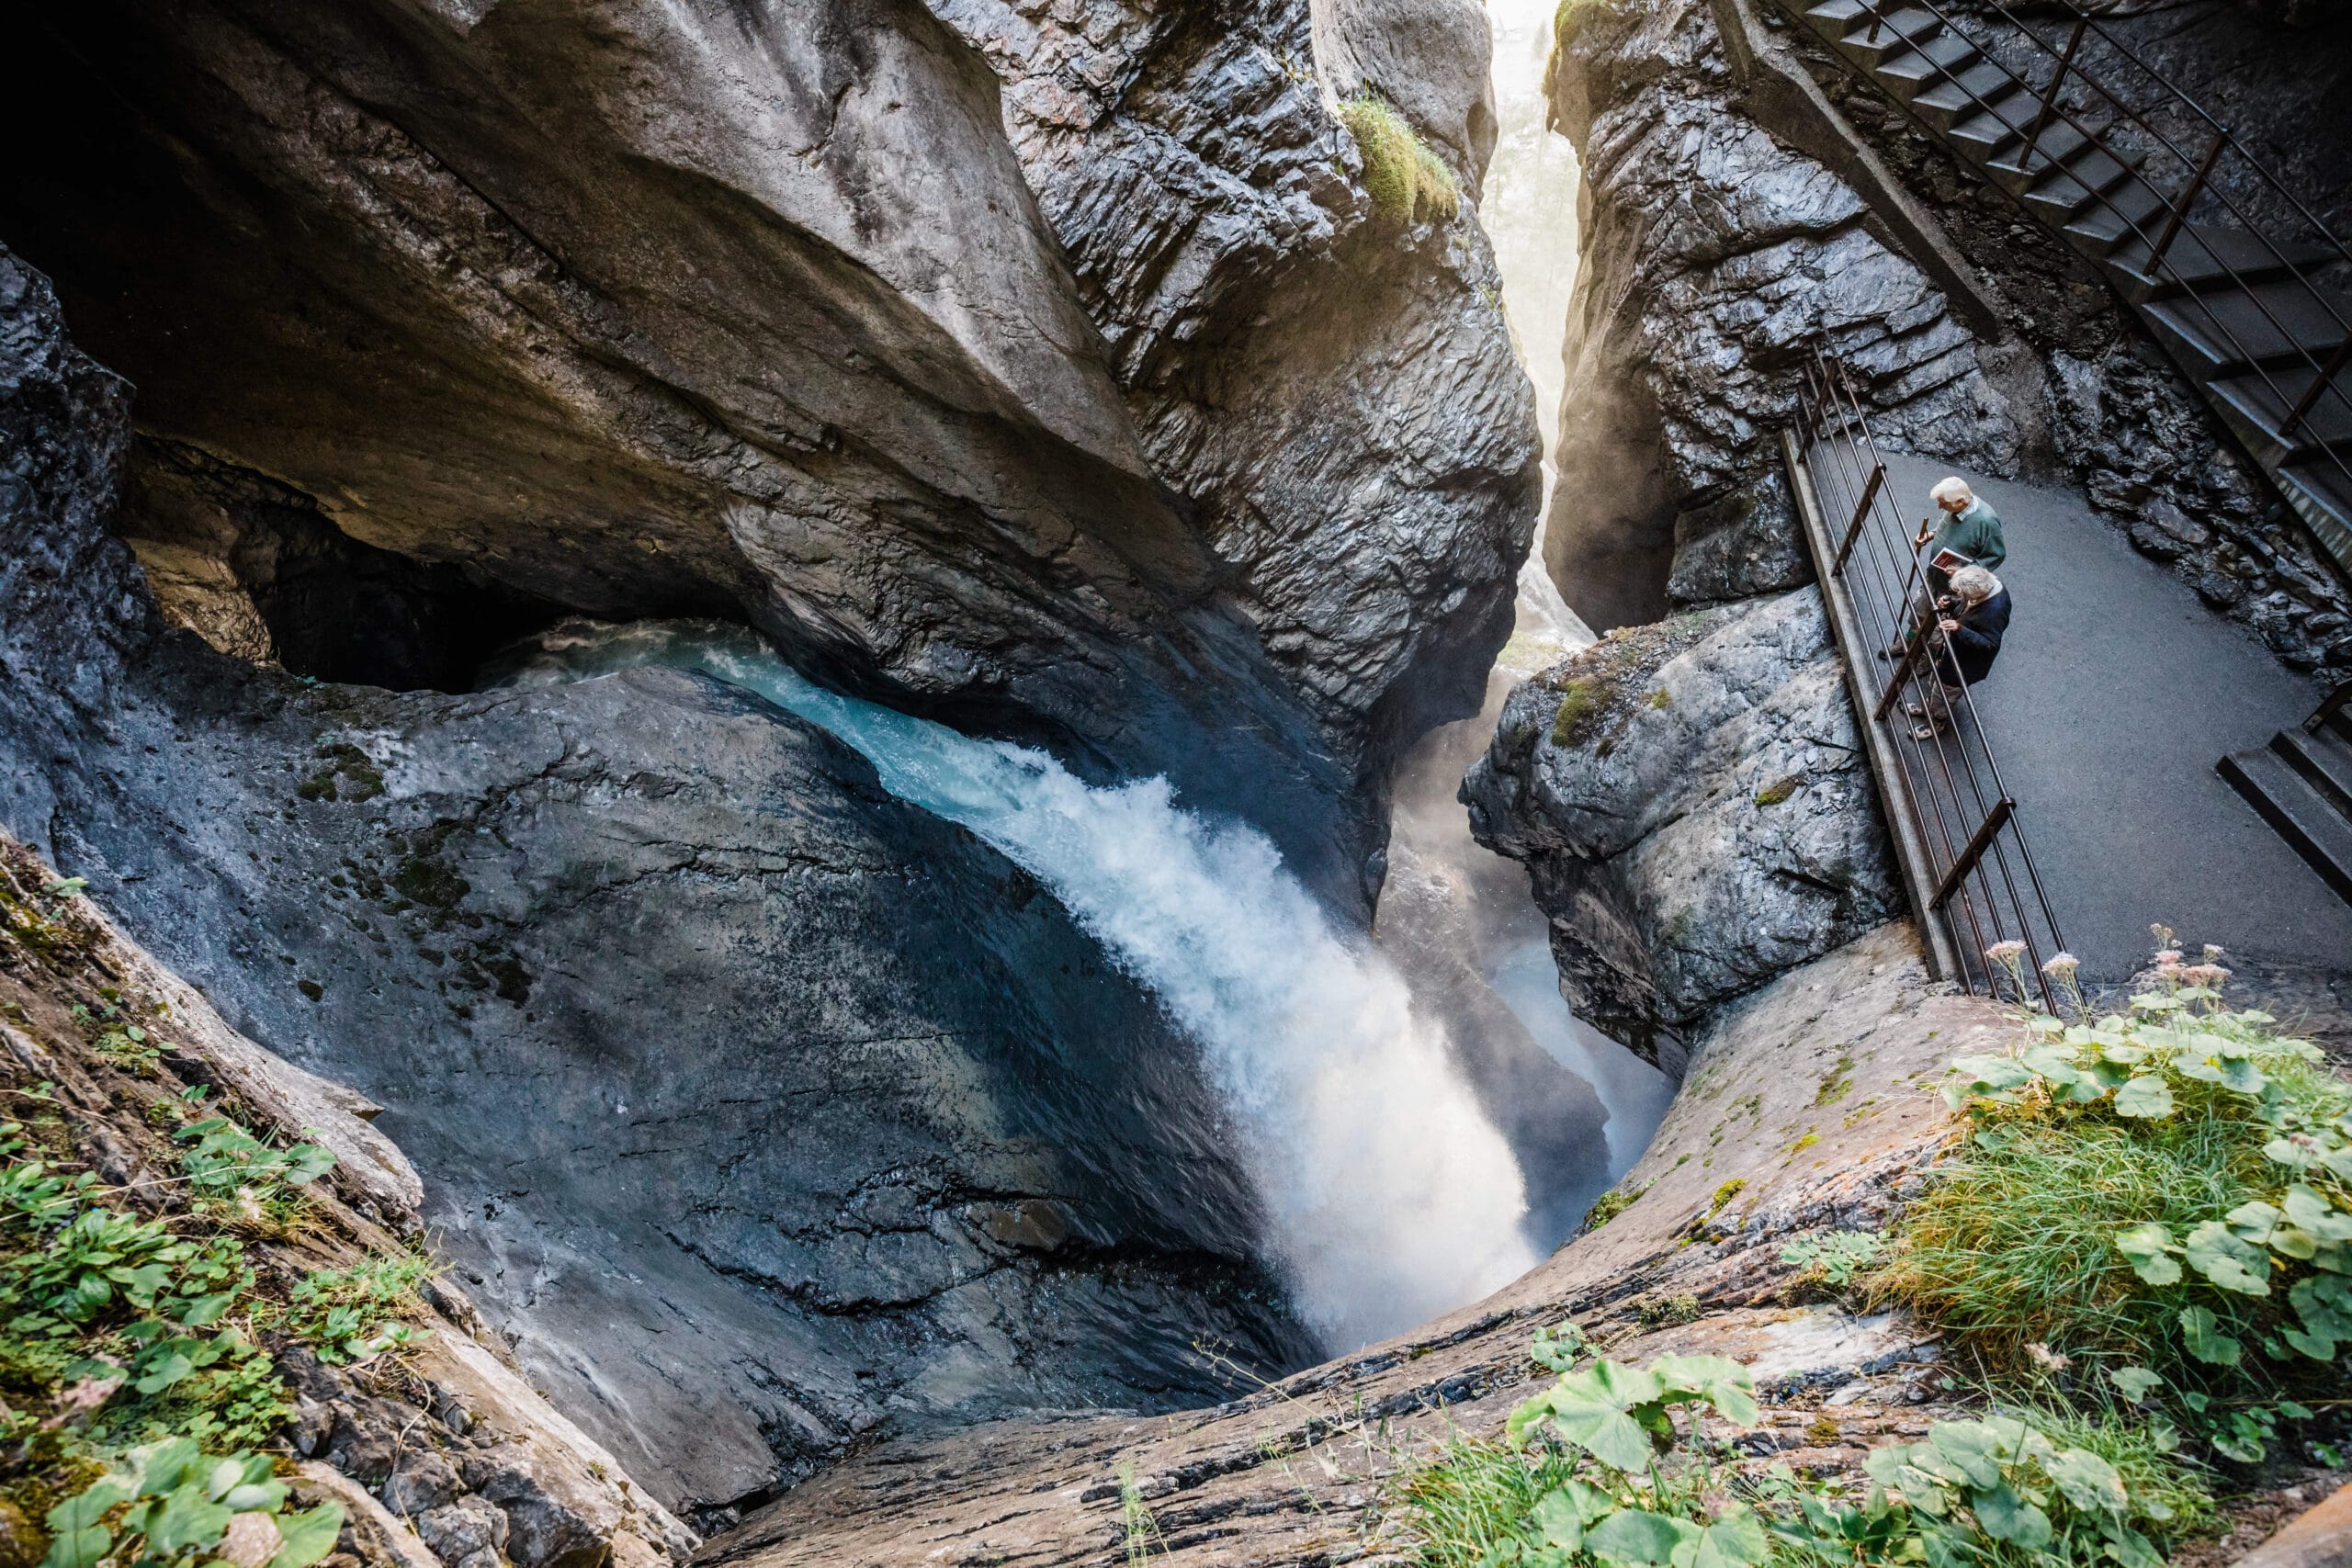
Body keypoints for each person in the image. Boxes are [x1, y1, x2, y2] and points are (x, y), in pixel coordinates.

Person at [1907, 565, 2009, 739]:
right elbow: (1965, 605)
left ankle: (1937, 721)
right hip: (1950, 653)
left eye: (1963, 594)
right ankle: (1929, 706)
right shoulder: (1986, 587)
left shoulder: (1994, 611)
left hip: (1962, 664)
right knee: (1936, 682)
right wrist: (1951, 603)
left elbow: (1990, 644)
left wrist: (1959, 629)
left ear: (1976, 593)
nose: (1961, 597)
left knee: (1945, 692)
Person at [1915, 476, 2007, 594]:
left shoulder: (1986, 522)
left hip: (1955, 587)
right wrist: (1931, 534)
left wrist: (1965, 572)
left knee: (1942, 609)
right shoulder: (1954, 506)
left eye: (1943, 503)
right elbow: (1945, 525)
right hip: (1935, 575)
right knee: (1920, 610)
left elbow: (1996, 556)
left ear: (1960, 502)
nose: (1939, 507)